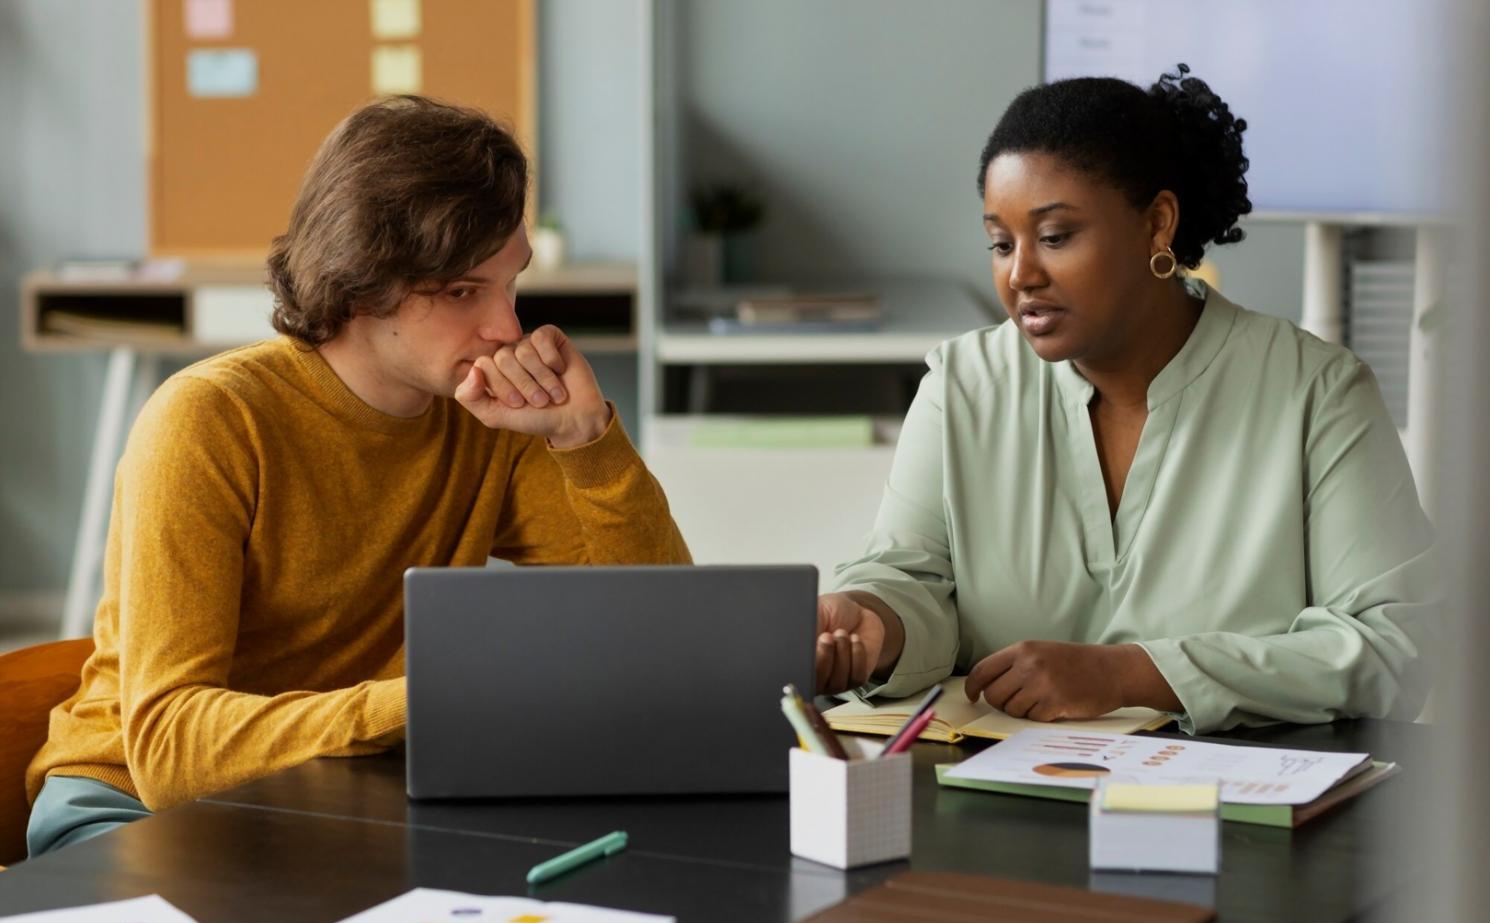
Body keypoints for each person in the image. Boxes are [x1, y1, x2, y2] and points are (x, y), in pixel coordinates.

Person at [26, 96, 691, 856]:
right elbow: (170, 749)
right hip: (134, 811)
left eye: (511, 284)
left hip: (338, 797)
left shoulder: (490, 421)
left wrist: (586, 441)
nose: (508, 328)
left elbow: (663, 637)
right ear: (360, 282)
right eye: (463, 292)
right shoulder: (208, 421)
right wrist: (425, 704)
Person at [813, 65, 1436, 734]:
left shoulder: (1317, 393)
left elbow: (1391, 646)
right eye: (1001, 243)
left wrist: (1131, 673)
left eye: (1054, 237)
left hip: (1238, 811)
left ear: (1157, 226)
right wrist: (876, 622)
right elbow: (912, 578)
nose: (1020, 273)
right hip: (997, 805)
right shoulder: (962, 384)